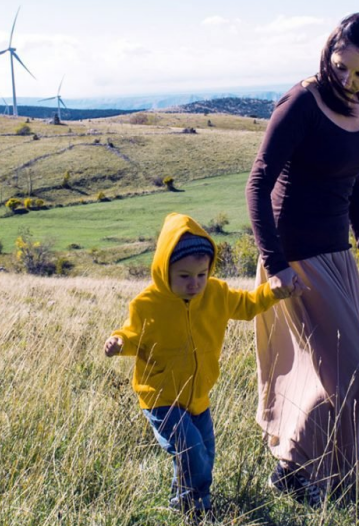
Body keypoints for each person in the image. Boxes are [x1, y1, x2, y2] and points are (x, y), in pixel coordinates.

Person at [245, 12, 359, 504]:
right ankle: (301, 471)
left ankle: (305, 473)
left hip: (336, 255)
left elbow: (352, 180)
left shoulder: (357, 105)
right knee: (351, 371)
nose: (347, 79)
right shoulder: (301, 102)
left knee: (334, 372)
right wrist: (275, 263)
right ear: (328, 52)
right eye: (340, 66)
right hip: (297, 257)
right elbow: (257, 184)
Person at [104, 212, 293, 515]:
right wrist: (119, 343)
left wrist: (272, 291)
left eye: (201, 275)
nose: (194, 284)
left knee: (204, 454)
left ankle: (185, 503)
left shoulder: (216, 294)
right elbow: (133, 336)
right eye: (184, 277)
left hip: (198, 396)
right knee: (191, 451)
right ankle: (196, 510)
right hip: (161, 396)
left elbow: (247, 305)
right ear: (164, 270)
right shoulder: (147, 304)